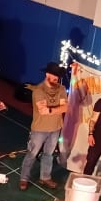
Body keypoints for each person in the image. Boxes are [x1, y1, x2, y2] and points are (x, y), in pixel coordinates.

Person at [19, 62, 69, 190]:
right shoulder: (38, 90)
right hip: (39, 129)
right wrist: (58, 108)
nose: (56, 79)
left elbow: (66, 107)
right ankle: (24, 178)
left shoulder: (61, 89)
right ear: (47, 74)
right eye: (54, 76)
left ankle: (45, 177)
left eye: (57, 77)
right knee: (32, 153)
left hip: (56, 128)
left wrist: (51, 109)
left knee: (49, 154)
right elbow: (43, 110)